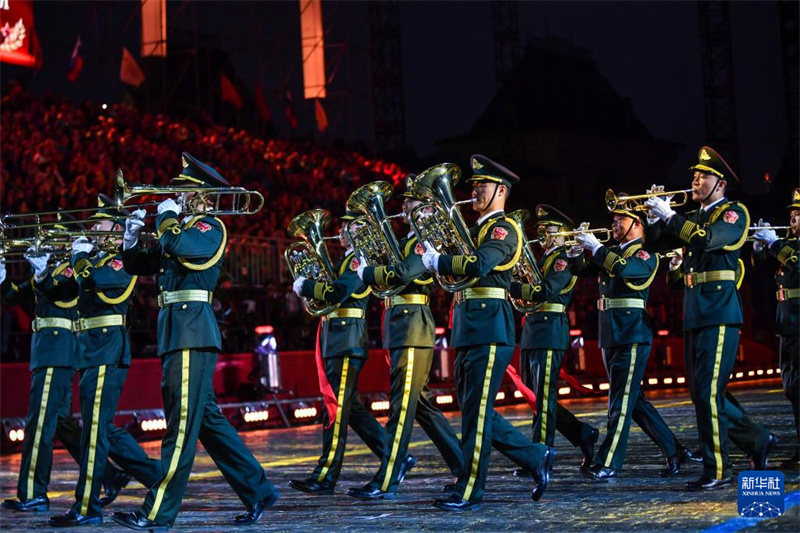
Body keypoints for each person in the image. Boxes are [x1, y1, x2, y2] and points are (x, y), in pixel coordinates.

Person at [113, 154, 279, 530]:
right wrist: (131, 236)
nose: (176, 198)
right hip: (177, 332)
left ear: (201, 197)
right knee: (205, 419)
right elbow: (142, 263)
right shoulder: (180, 231)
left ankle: (157, 513)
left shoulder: (210, 228)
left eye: (183, 193)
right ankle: (258, 489)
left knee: (180, 425)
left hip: (191, 332)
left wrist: (168, 218)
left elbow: (179, 245)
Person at [422, 155, 555, 512]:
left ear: (501, 190)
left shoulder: (504, 229)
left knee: (477, 415)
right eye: (473, 185)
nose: (473, 191)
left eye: (481, 185)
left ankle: (470, 490)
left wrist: (440, 261)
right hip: (468, 327)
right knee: (473, 413)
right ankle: (535, 455)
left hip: (491, 327)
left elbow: (479, 265)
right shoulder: (477, 230)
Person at [645, 146, 776, 490]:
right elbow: (659, 245)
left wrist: (672, 217)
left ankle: (718, 467)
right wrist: (654, 219)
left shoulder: (734, 214)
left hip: (719, 311)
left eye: (702, 176)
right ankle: (757, 439)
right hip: (696, 311)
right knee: (703, 392)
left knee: (706, 393)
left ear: (720, 184)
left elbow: (709, 241)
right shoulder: (696, 217)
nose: (694, 181)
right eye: (694, 175)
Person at [348, 175, 464, 500]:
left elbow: (401, 274)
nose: (402, 207)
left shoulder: (422, 240)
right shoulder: (407, 240)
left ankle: (387, 478)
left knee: (400, 409)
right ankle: (464, 468)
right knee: (423, 406)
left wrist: (367, 272)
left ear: (425, 207)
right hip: (401, 326)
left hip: (412, 326)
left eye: (409, 202)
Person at [49, 198, 162, 527]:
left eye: (99, 225)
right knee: (101, 429)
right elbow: (62, 292)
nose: (93, 230)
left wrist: (81, 258)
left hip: (105, 348)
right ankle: (157, 477)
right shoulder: (95, 260)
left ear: (115, 232)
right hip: (90, 350)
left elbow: (96, 283)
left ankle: (87, 507)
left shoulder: (119, 262)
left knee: (95, 432)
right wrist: (46, 270)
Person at [570, 199, 698, 481]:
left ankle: (610, 461)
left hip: (631, 334)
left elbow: (625, 270)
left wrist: (597, 248)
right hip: (611, 333)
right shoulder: (611, 253)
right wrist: (578, 252)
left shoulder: (645, 255)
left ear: (637, 224)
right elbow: (580, 270)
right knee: (633, 401)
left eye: (620, 219)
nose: (614, 224)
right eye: (614, 219)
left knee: (620, 402)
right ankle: (674, 450)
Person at [0, 241, 131, 513]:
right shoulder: (56, 268)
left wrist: (44, 274)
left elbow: (62, 297)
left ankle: (33, 493)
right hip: (49, 349)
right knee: (60, 424)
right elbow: (18, 297)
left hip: (56, 349)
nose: (44, 244)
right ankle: (109, 475)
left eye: (51, 240)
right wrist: (3, 274)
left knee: (38, 425)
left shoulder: (70, 269)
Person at [288, 210, 388, 495]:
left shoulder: (359, 259)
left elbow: (336, 292)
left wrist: (307, 286)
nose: (340, 231)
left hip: (346, 341)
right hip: (338, 339)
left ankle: (326, 475)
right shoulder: (347, 259)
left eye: (345, 227)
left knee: (334, 409)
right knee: (351, 410)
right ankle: (395, 457)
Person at [509, 205, 599, 474]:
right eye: (539, 230)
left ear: (562, 234)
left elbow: (546, 290)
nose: (541, 235)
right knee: (536, 398)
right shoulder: (544, 258)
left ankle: (540, 456)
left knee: (544, 399)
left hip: (549, 330)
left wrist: (510, 285)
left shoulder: (564, 259)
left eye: (547, 230)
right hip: (533, 330)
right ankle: (583, 433)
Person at [751, 188, 799, 468]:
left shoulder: (789, 249)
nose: (791, 219)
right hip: (788, 323)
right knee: (793, 389)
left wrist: (775, 245)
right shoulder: (788, 246)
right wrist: (759, 248)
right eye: (791, 214)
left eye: (797, 215)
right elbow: (761, 268)